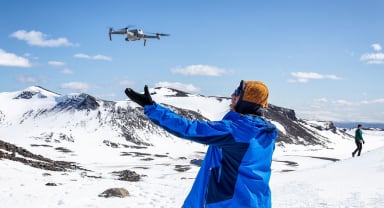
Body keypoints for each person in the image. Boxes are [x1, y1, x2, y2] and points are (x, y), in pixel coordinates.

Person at [124, 80, 278, 208]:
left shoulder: (236, 131)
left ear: (247, 101)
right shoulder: (267, 132)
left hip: (229, 203)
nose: (232, 95)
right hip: (258, 202)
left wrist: (151, 107)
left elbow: (189, 128)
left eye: (237, 92)